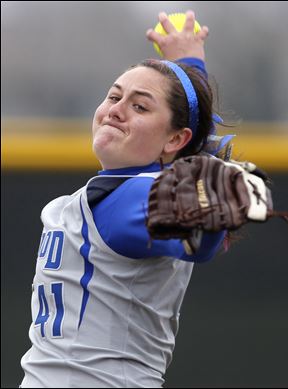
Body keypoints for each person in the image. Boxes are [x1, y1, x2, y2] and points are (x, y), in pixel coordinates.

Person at [20, 10, 233, 388]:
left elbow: (199, 233)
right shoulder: (111, 193)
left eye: (139, 106)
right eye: (114, 96)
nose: (116, 110)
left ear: (174, 140)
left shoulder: (129, 196)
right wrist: (188, 63)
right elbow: (192, 150)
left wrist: (211, 205)